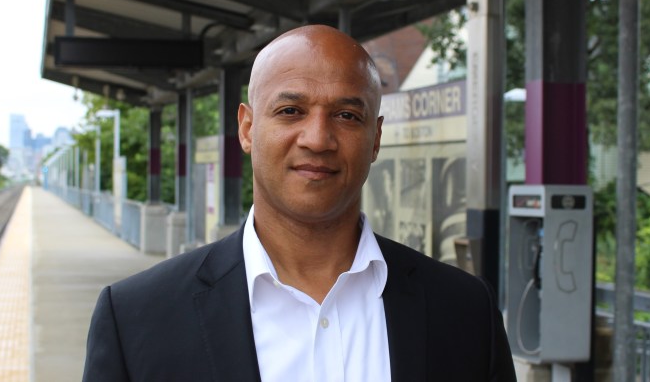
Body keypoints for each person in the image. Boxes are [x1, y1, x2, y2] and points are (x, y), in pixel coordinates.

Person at [82, 25, 516, 381]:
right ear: (248, 129)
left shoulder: (464, 311)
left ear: (376, 138)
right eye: (291, 110)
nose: (318, 139)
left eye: (347, 116)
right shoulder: (138, 318)